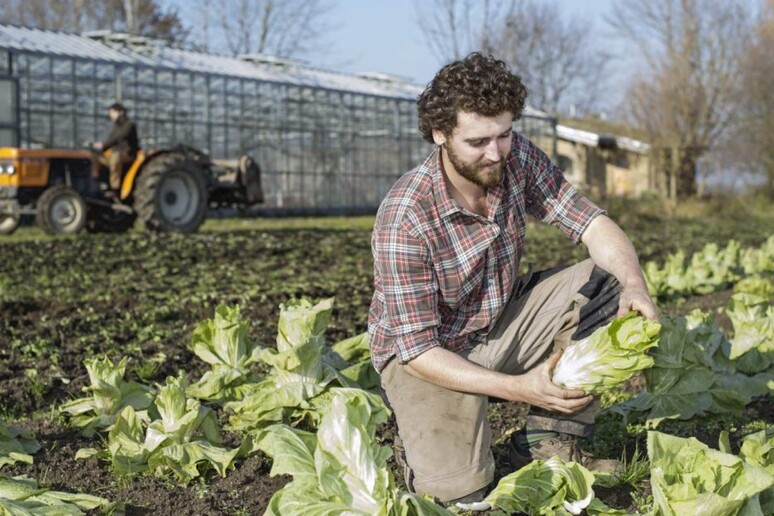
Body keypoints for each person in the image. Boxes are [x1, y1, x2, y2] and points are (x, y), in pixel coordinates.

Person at [367, 52, 658, 507]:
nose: (496, 152)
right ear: (440, 134)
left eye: (504, 134)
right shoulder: (406, 215)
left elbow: (591, 224)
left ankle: (550, 439)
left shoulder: (515, 156)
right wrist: (519, 388)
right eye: (479, 140)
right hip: (430, 356)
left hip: (499, 321)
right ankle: (423, 449)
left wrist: (635, 283)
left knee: (609, 280)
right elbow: (418, 348)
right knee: (463, 496)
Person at [93, 102, 139, 193]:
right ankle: (96, 180)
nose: (110, 115)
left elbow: (118, 138)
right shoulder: (116, 126)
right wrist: (99, 149)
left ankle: (115, 188)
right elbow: (111, 139)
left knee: (115, 157)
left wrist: (103, 146)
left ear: (121, 112)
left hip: (127, 154)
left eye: (112, 113)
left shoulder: (129, 125)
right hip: (116, 152)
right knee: (94, 156)